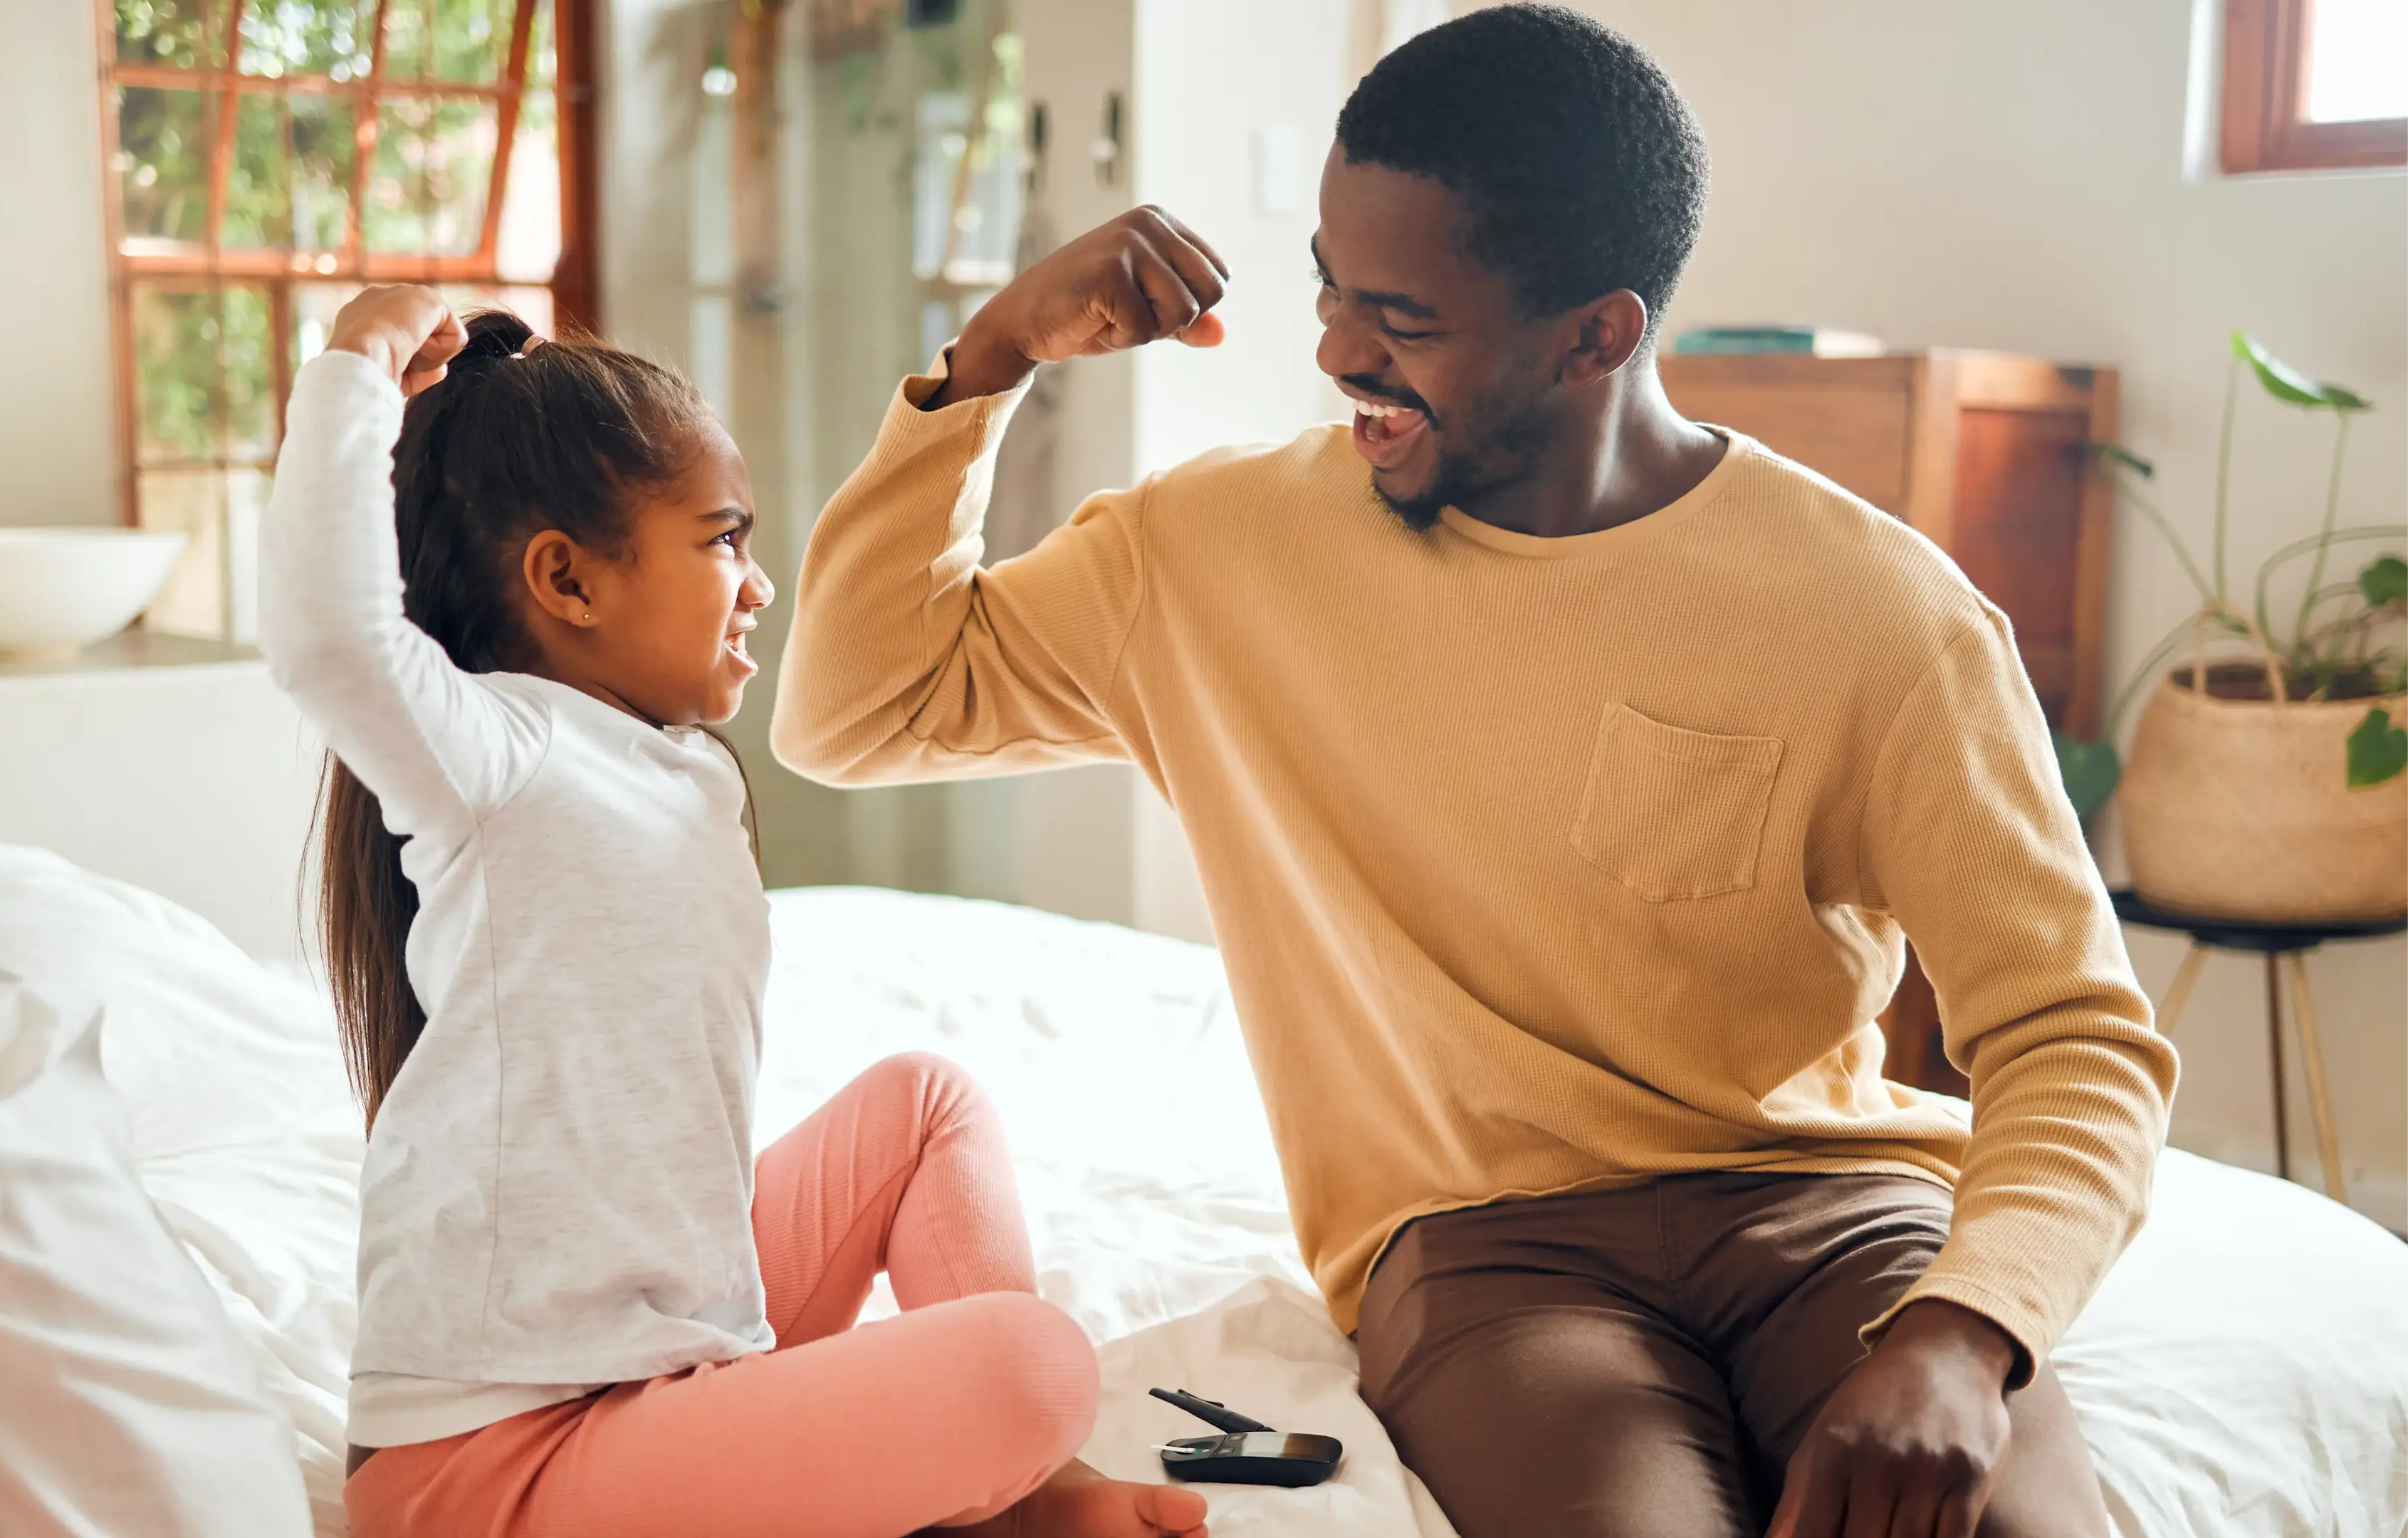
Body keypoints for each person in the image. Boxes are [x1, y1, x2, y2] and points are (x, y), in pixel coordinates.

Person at [770, 7, 2179, 1537]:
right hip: (1487, 1249)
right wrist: (989, 364)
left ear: (1597, 333)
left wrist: (1968, 1332)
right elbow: (853, 712)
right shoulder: (1212, 556)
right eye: (1326, 286)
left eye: (1402, 319)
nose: (1332, 354)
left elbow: (2074, 1035)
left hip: (1834, 1219)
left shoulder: (1878, 616)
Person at [260, 284, 1210, 1538]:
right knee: (1031, 1365)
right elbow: (331, 639)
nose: (759, 586)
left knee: (927, 1102)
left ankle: (1015, 1485)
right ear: (567, 579)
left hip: (669, 1364)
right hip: (498, 1464)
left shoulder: (686, 770)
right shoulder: (496, 755)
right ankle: (1021, 1488)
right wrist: (354, 368)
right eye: (722, 541)